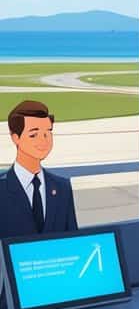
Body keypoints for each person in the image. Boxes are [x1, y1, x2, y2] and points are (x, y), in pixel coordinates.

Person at [2, 100, 78, 238]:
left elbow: (72, 239)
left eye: (48, 133)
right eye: (33, 135)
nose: (44, 140)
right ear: (15, 138)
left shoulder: (62, 187)